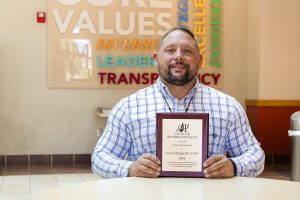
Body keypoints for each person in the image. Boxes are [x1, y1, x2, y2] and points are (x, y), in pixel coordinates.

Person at [92, 27, 265, 179]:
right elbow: (100, 157)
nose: (179, 57)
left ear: (200, 60)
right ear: (156, 58)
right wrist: (129, 168)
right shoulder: (128, 107)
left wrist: (233, 166)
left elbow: (256, 155)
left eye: (187, 51)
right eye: (170, 50)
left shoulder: (227, 106)